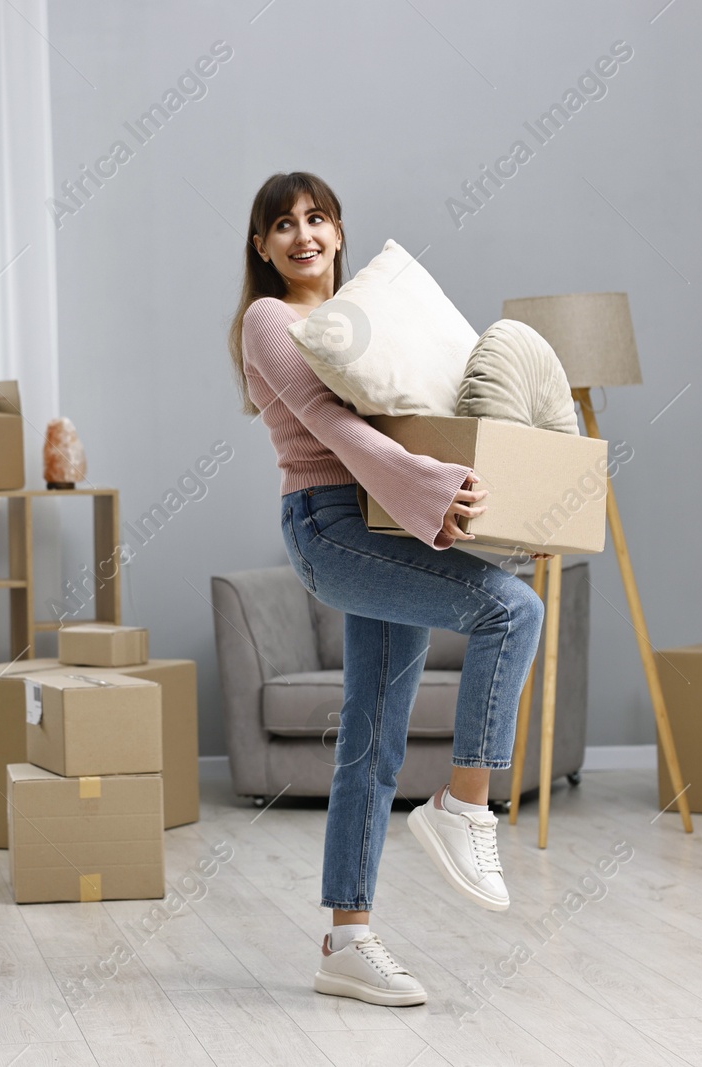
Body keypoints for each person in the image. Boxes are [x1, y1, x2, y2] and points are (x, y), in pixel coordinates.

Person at [228, 171, 546, 1007]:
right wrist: (429, 487)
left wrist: (507, 509)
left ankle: (346, 938)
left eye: (318, 218)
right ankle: (463, 804)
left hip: (389, 513)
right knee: (512, 611)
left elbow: (424, 410)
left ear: (339, 232)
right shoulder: (270, 321)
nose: (304, 234)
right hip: (332, 523)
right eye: (284, 224)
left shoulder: (358, 325)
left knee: (369, 740)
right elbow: (334, 427)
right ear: (262, 247)